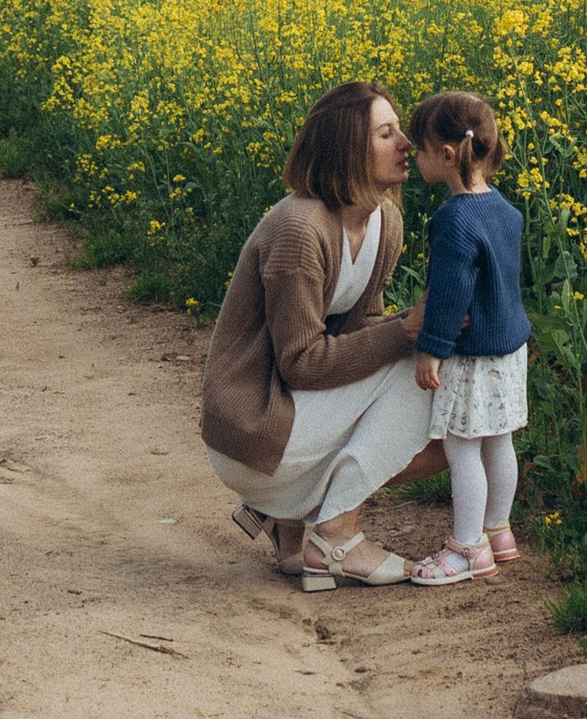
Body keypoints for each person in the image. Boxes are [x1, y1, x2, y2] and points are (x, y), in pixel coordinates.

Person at [200, 79, 433, 590]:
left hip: (290, 415)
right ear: (348, 148)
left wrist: (402, 331)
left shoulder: (384, 221)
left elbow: (359, 332)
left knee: (436, 381)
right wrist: (406, 330)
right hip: (250, 429)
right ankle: (336, 535)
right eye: (386, 134)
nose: (406, 145)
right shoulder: (300, 229)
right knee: (424, 375)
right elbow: (301, 363)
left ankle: (293, 525)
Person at [400, 89, 529, 588]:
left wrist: (432, 348)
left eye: (421, 148)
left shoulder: (452, 220)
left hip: (472, 357)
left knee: (461, 449)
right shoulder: (505, 210)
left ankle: (467, 548)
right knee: (499, 440)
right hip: (510, 350)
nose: (415, 156)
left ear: (447, 155)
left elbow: (450, 296)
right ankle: (499, 531)